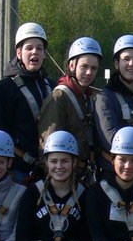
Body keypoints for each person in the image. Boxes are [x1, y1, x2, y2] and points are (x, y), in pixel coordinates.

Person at [0, 22, 53, 182]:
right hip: (18, 170)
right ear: (19, 53)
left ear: (44, 54)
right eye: (29, 48)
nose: (34, 52)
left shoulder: (52, 86)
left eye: (39, 48)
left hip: (50, 169)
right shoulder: (5, 88)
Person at [39, 37, 104, 179]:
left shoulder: (88, 98)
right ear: (72, 65)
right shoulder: (59, 98)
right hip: (62, 177)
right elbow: (48, 144)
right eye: (84, 66)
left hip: (83, 174)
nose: (89, 72)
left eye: (93, 68)